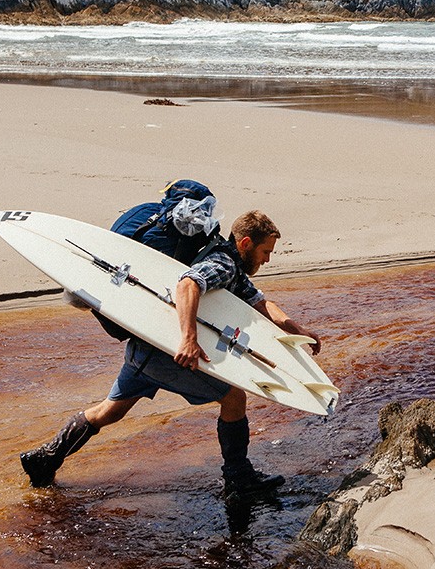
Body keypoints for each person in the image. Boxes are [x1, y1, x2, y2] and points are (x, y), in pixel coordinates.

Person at [19, 210, 320, 503]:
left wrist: (297, 329)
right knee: (234, 398)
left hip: (144, 349)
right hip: (168, 354)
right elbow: (188, 285)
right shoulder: (223, 264)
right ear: (245, 244)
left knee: (109, 411)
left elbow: (260, 303)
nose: (267, 259)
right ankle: (238, 480)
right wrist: (188, 339)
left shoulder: (233, 269)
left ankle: (43, 459)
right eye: (266, 252)